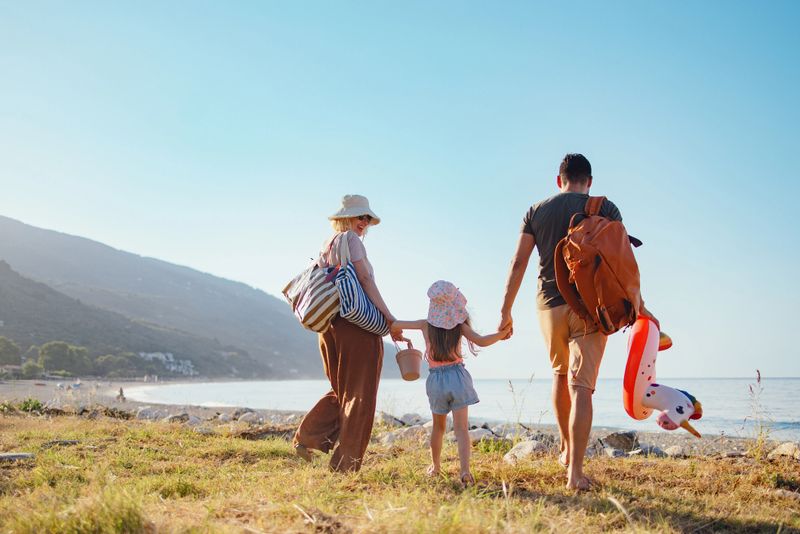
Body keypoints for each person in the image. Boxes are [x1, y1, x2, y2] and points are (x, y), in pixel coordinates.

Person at [499, 153, 655, 490]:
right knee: (582, 388)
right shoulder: (606, 208)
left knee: (559, 374)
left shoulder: (535, 210)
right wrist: (639, 306)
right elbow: (623, 264)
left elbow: (518, 263)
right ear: (590, 182)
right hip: (592, 308)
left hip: (548, 307)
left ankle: (567, 451)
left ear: (560, 180)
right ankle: (575, 475)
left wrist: (505, 311)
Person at [293, 194, 404, 473]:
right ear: (346, 218)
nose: (364, 223)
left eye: (367, 218)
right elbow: (364, 279)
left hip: (329, 325)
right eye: (360, 216)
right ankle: (345, 467)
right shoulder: (351, 240)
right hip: (357, 325)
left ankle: (306, 439)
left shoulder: (326, 244)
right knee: (361, 395)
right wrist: (389, 319)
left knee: (342, 390)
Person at [391, 280, 510, 486]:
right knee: (462, 429)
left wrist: (397, 333)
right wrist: (501, 335)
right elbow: (481, 340)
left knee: (438, 428)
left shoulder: (424, 325)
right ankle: (465, 471)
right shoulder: (459, 326)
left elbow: (394, 325)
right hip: (457, 378)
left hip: (436, 380)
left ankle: (435, 467)